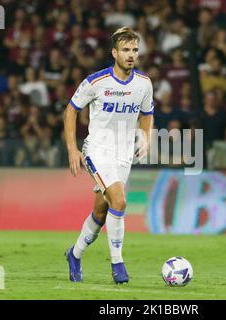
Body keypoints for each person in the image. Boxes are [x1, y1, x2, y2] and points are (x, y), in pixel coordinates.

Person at [63, 27, 154, 284]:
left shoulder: (144, 84)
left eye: (135, 50)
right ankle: (117, 264)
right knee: (120, 200)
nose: (131, 55)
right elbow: (70, 110)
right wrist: (72, 148)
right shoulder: (96, 81)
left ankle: (75, 253)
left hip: (123, 155)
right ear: (114, 53)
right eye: (125, 50)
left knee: (102, 213)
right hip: (97, 150)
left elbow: (147, 114)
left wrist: (146, 137)